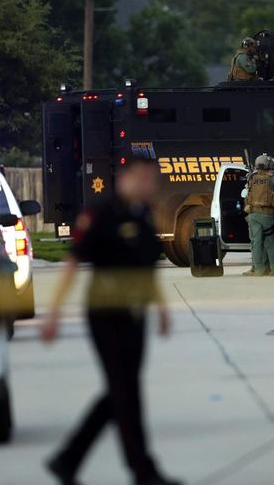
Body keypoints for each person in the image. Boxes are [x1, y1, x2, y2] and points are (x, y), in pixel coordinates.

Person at [41, 158, 181, 485]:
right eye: (142, 178)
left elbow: (146, 269)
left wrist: (161, 309)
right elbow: (73, 262)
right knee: (125, 394)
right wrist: (54, 314)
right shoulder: (103, 213)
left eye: (153, 179)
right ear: (125, 179)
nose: (149, 185)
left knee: (121, 393)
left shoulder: (143, 214)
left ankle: (68, 459)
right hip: (106, 316)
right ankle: (143, 471)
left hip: (135, 314)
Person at [243, 154, 274, 277]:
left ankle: (258, 269)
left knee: (256, 243)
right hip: (268, 217)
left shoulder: (251, 178)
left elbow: (247, 195)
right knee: (271, 242)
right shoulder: (273, 179)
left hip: (253, 214)